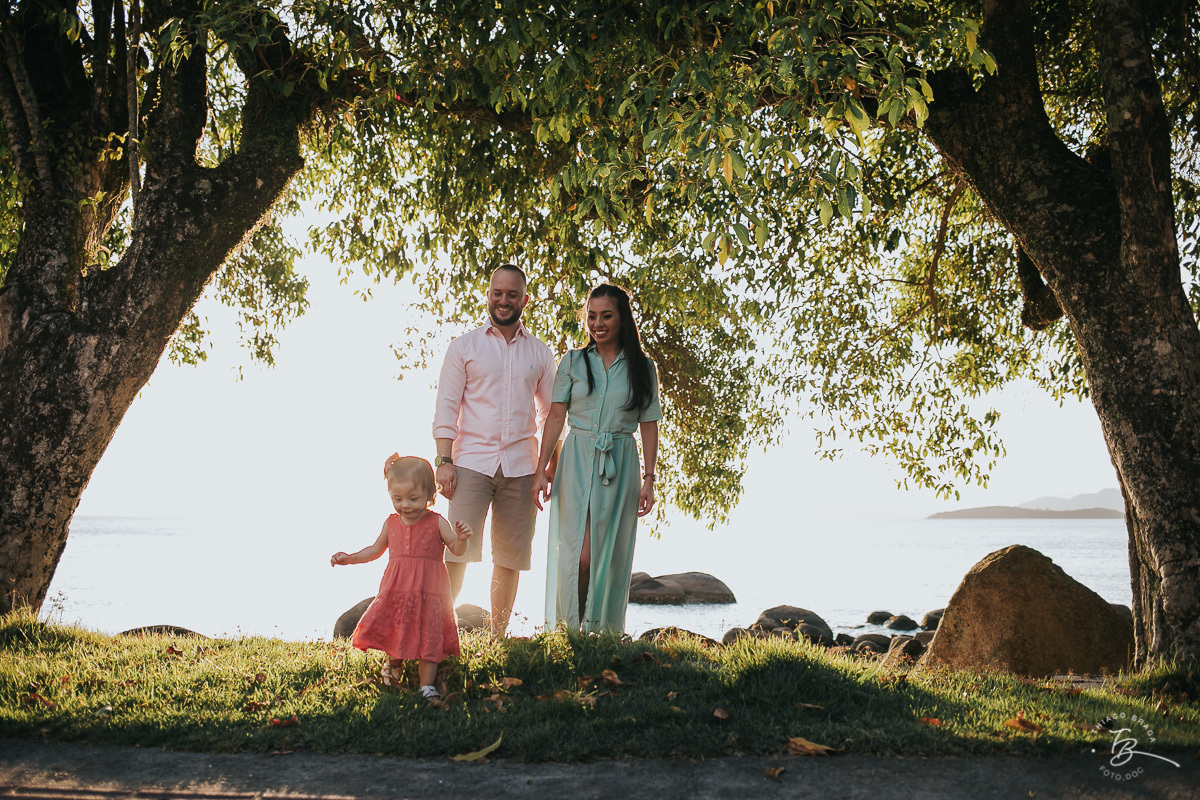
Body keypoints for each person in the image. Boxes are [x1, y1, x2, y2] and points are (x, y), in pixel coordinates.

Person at [432, 264, 557, 638]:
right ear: (488, 295)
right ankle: (440, 634)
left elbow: (550, 414)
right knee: (457, 551)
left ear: (524, 300)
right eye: (498, 293)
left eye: (512, 295)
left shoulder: (540, 353)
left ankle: (497, 639)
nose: (504, 301)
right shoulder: (464, 347)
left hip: (522, 467)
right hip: (469, 463)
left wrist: (549, 465)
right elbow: (446, 407)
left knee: (510, 557)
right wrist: (443, 461)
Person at [532, 283, 662, 633]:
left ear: (622, 319)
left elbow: (649, 424)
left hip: (620, 464)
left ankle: (601, 633)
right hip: (576, 461)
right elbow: (555, 417)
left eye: (606, 316)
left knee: (608, 555)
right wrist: (541, 469)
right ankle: (569, 630)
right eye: (591, 316)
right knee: (579, 554)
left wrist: (650, 479)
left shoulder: (643, 368)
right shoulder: (573, 361)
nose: (598, 323)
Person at [330, 454, 471, 700]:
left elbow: (456, 550)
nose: (405, 505)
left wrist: (461, 539)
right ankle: (393, 675)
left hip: (430, 592)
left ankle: (427, 685)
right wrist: (350, 558)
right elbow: (374, 550)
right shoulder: (391, 523)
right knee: (396, 632)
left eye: (413, 498)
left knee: (429, 635)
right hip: (397, 590)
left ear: (430, 495)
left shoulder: (437, 523)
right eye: (397, 499)